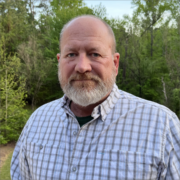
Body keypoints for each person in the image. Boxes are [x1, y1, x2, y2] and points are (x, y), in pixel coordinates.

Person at [11, 15, 180, 180]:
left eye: (95, 54)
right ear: (59, 61)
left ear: (115, 63)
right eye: (71, 54)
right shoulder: (37, 120)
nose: (82, 67)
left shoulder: (161, 125)